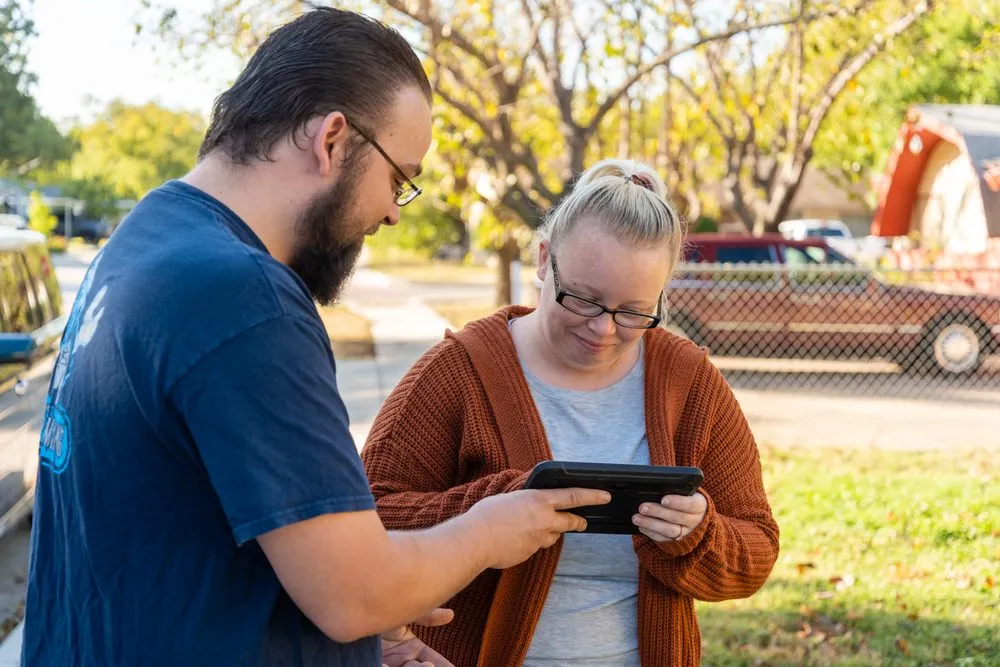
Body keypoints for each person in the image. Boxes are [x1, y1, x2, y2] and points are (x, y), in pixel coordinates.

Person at [21, 9, 610, 667]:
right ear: (332, 139)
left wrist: (370, 629)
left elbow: (186, 528)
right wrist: (491, 530)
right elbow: (353, 594)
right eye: (399, 178)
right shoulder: (244, 298)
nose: (392, 210)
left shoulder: (149, 238)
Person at [362, 159, 781, 666]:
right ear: (543, 259)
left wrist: (698, 534)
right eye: (582, 299)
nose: (603, 330)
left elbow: (756, 552)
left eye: (633, 312)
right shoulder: (459, 371)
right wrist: (487, 517)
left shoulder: (689, 383)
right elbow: (365, 523)